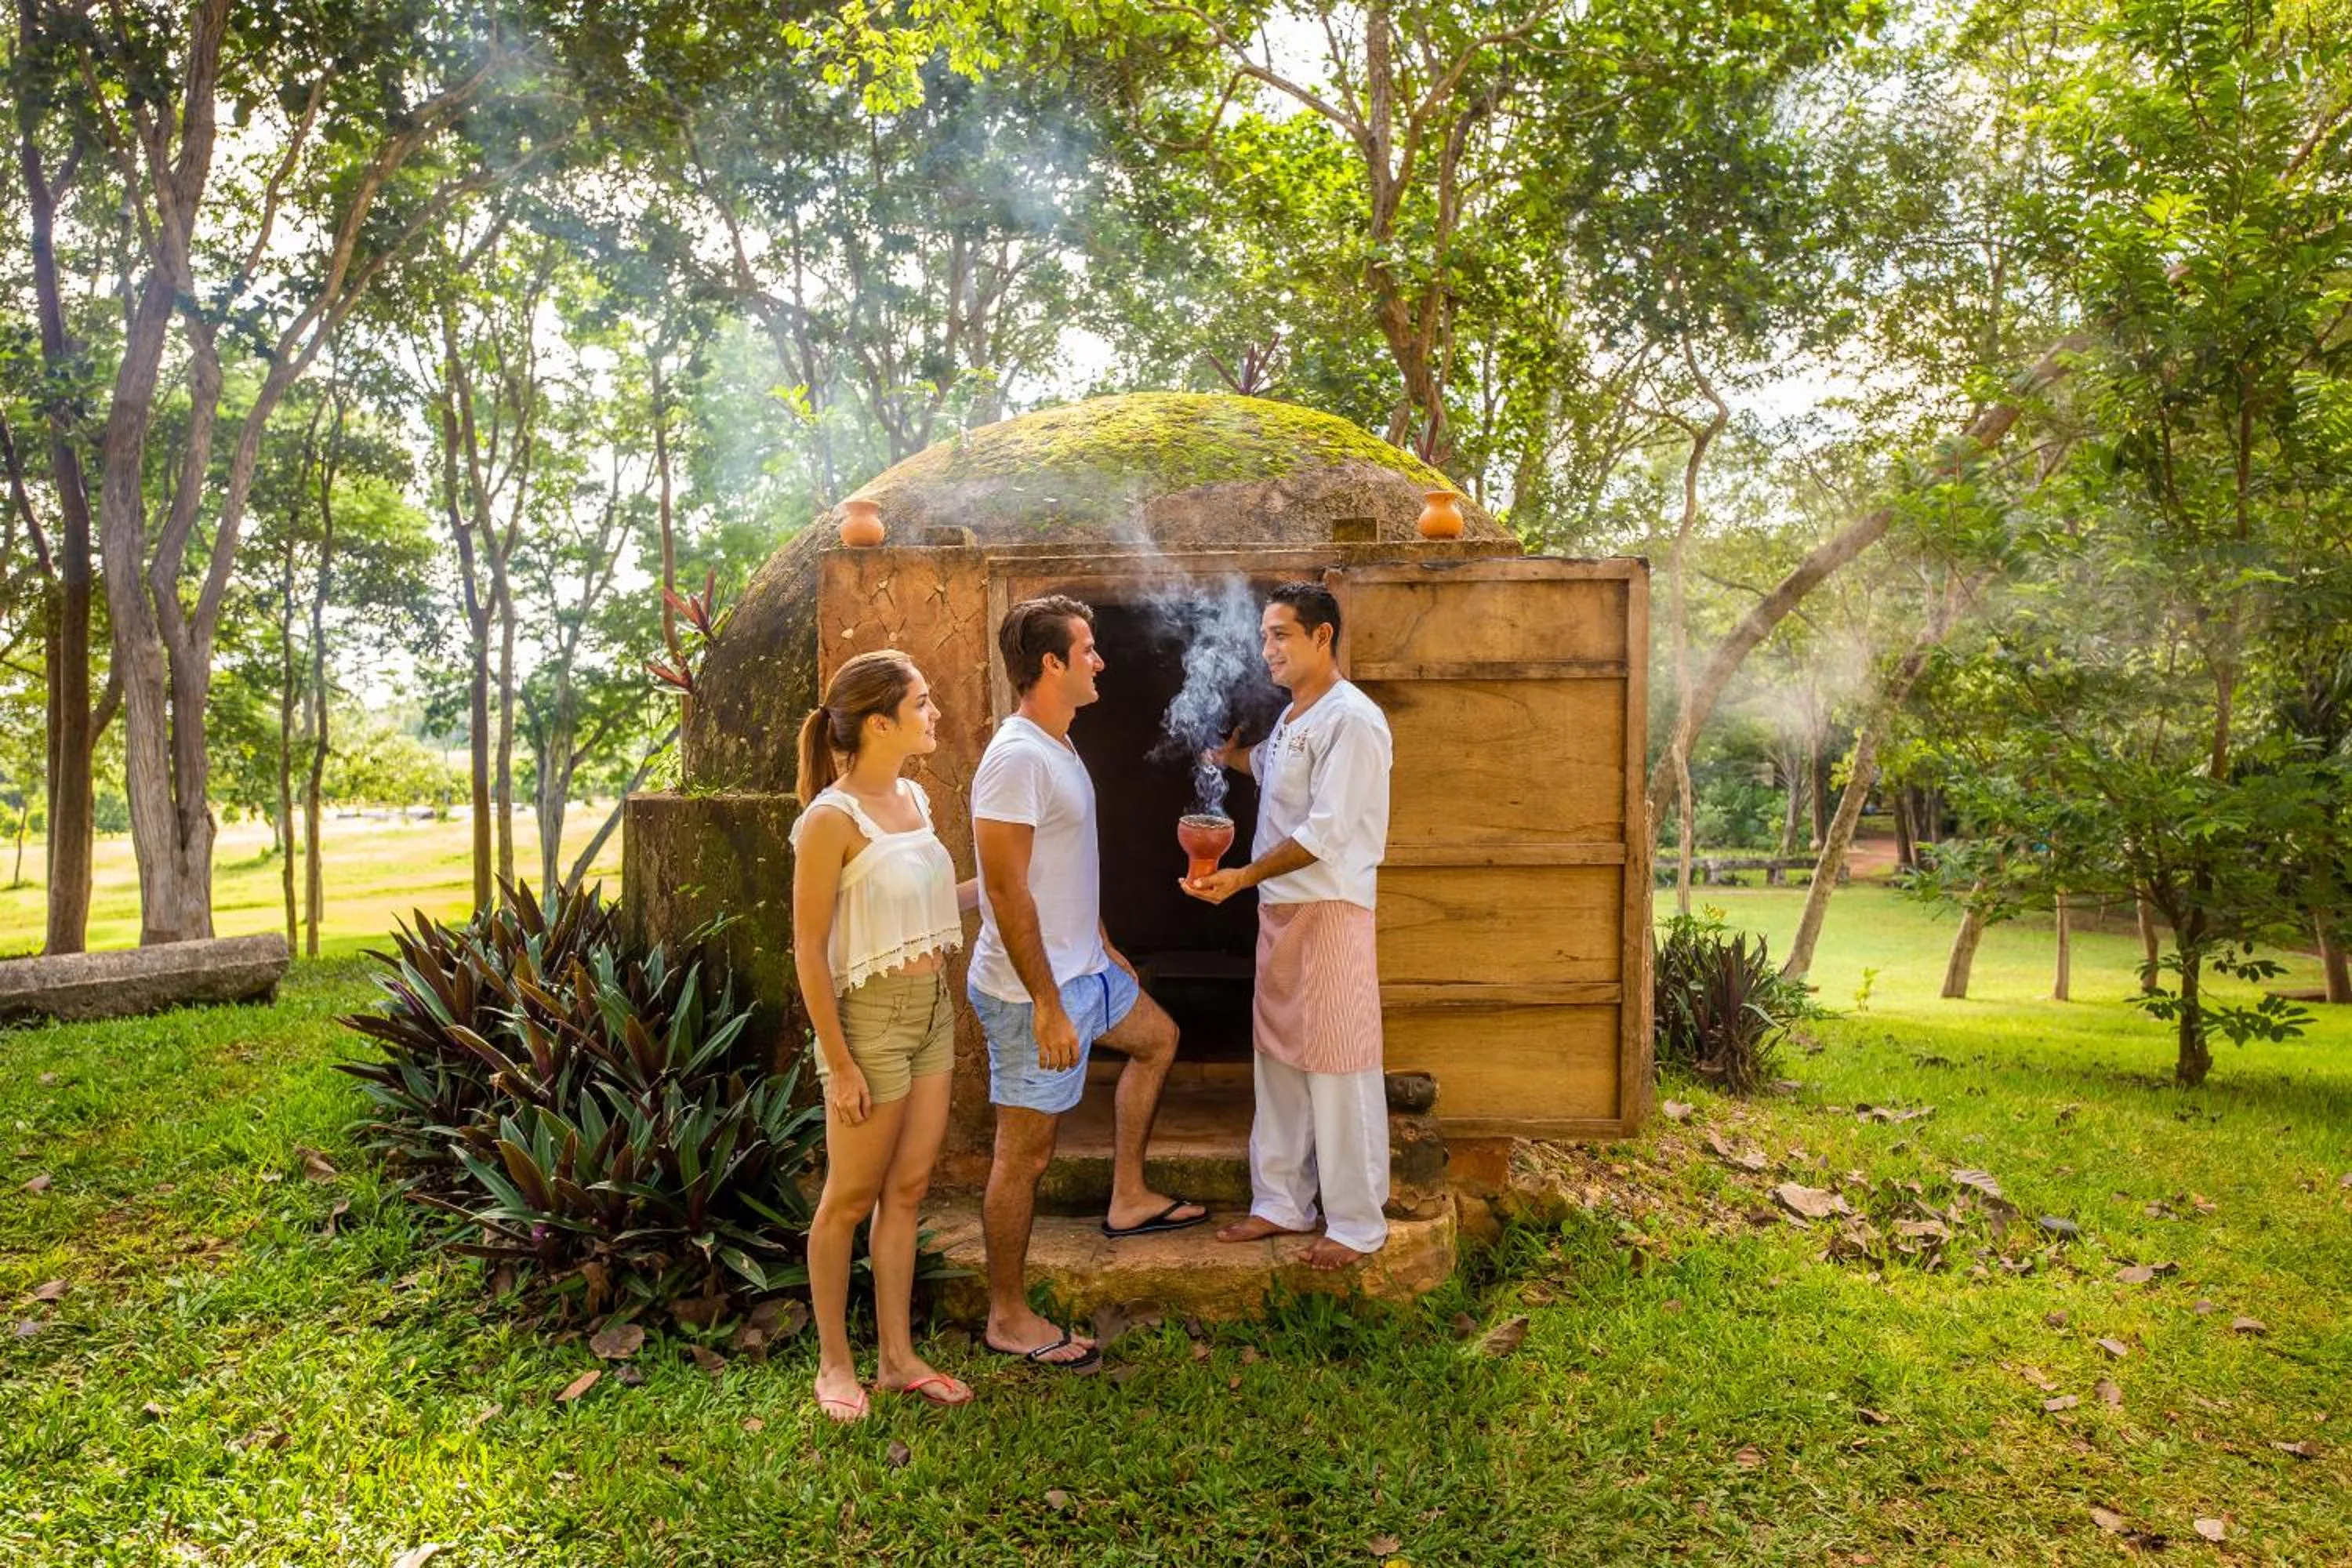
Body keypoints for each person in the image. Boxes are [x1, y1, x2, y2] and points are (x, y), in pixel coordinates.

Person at [969, 595, 1208, 1372]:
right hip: (1032, 989)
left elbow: (1062, 865)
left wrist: (1104, 944)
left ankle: (1129, 1194)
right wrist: (1045, 1002)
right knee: (1024, 1155)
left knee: (1157, 1041)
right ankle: (1007, 1313)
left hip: (1088, 969)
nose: (1099, 660)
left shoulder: (1058, 744)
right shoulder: (1015, 759)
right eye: (1088, 648)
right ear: (1051, 664)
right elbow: (1008, 891)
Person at [791, 649, 980, 1422]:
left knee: (905, 1190)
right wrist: (839, 1063)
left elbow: (932, 903)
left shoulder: (913, 797)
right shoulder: (829, 821)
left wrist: (1010, 884)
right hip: (867, 1022)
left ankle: (898, 1358)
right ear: (880, 722)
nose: (935, 713)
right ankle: (836, 1364)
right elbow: (807, 948)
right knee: (848, 1198)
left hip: (932, 1009)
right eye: (924, 702)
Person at [1181, 581, 1394, 1269]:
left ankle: (1358, 1224)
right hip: (1281, 912)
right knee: (1278, 1062)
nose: (1266, 647)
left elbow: (1325, 832)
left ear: (1322, 637)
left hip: (1328, 910)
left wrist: (1242, 876)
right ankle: (1280, 1203)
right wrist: (1232, 761)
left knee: (1337, 1064)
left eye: (1281, 635)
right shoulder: (1295, 715)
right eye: (1265, 635)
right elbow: (1276, 767)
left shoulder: (1352, 720)